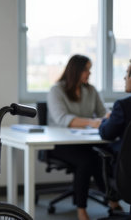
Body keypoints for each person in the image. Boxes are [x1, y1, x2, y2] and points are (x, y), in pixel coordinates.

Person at [47, 54, 110, 220]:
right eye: (86, 70)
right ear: (76, 70)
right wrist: (92, 122)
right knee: (87, 160)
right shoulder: (56, 90)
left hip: (86, 141)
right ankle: (82, 209)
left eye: (90, 70)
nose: (89, 73)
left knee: (102, 157)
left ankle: (111, 198)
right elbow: (62, 119)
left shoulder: (91, 90)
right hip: (59, 145)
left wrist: (109, 117)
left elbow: (103, 114)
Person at [99, 59, 131, 191]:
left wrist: (105, 120)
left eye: (128, 73)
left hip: (127, 171)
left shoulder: (123, 105)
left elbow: (107, 133)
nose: (125, 77)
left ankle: (112, 200)